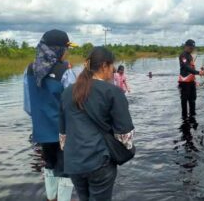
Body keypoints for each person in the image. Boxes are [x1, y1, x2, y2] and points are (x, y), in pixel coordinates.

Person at [60, 47, 135, 201]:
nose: (113, 70)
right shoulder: (113, 92)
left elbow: (63, 135)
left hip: (73, 161)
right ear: (103, 66)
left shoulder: (67, 92)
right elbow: (125, 136)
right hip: (99, 161)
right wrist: (126, 150)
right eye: (112, 66)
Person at [23, 29, 77, 201]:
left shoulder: (29, 70)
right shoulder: (65, 72)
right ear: (58, 49)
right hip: (63, 133)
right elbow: (75, 106)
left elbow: (28, 106)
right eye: (66, 48)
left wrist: (41, 120)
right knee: (66, 170)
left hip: (41, 131)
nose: (67, 52)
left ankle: (50, 198)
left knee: (49, 166)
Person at [178, 39, 204, 119]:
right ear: (186, 46)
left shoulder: (190, 56)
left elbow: (191, 69)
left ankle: (193, 116)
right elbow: (186, 67)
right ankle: (184, 118)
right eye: (190, 48)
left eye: (193, 48)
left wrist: (200, 72)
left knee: (193, 100)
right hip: (184, 83)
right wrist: (198, 72)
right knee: (184, 101)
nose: (192, 49)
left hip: (191, 82)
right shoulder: (183, 55)